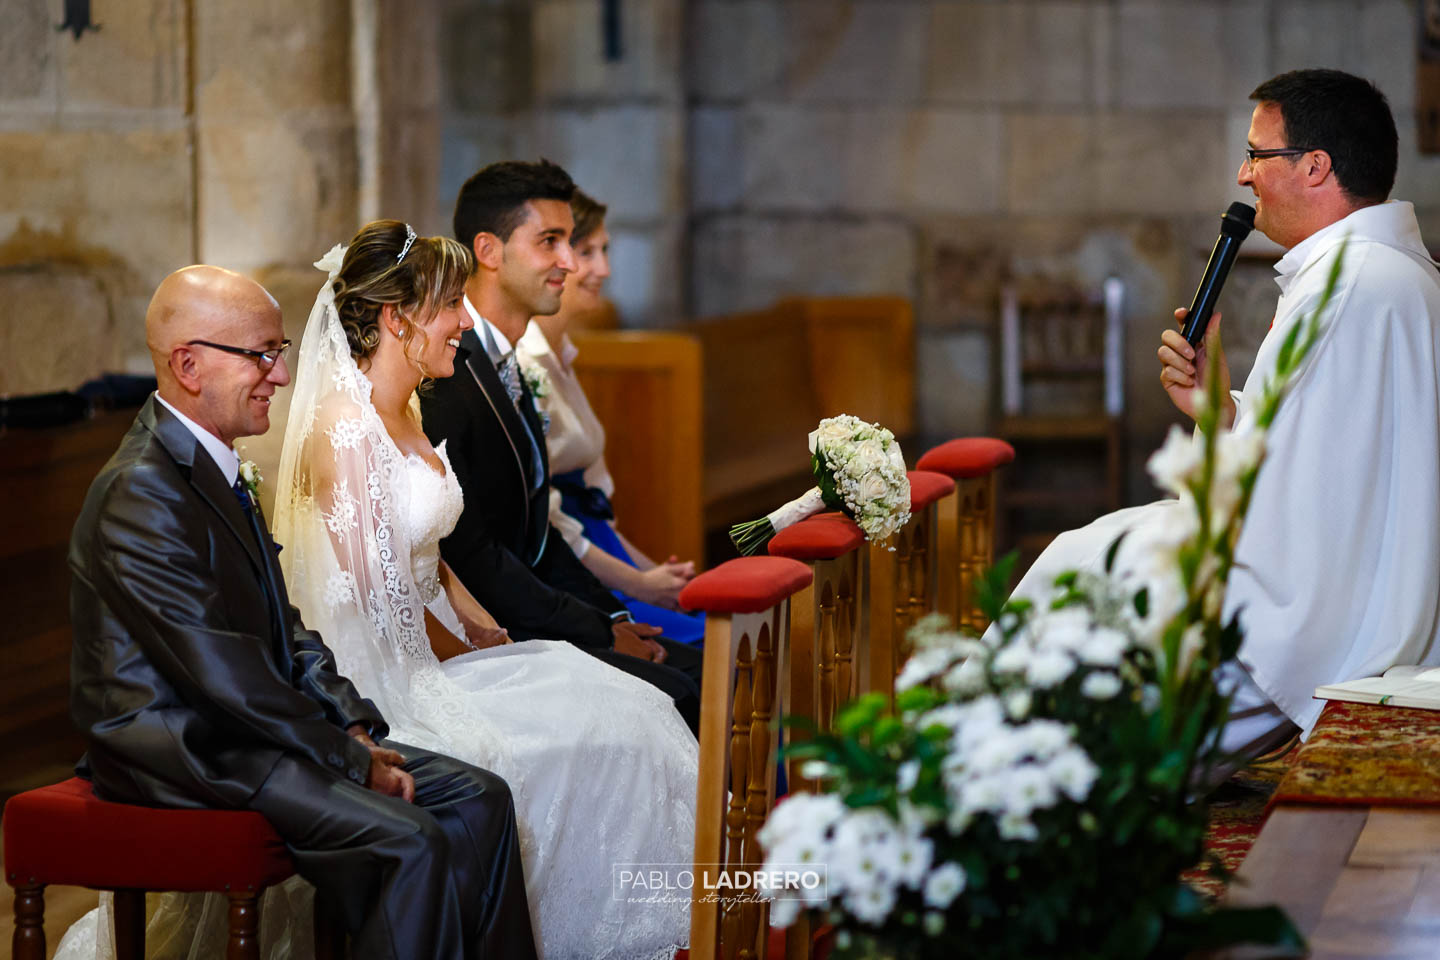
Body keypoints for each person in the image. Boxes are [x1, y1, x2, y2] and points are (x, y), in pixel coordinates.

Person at [56, 265, 536, 959]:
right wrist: (346, 756)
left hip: (242, 725)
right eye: (261, 355)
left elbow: (290, 632)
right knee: (409, 840)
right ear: (188, 364)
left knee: (480, 798)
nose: (280, 376)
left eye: (277, 352)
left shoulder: (214, 462)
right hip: (186, 744)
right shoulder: (141, 494)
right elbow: (220, 671)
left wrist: (354, 725)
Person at [272, 221, 696, 960]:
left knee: (633, 704)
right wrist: (463, 641)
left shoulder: (402, 410)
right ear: (395, 319)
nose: (464, 323)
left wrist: (476, 621)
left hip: (432, 649)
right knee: (597, 735)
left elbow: (427, 556)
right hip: (385, 682)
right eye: (448, 307)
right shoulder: (343, 432)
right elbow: (376, 606)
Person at [1008, 68, 1440, 766]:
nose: (1243, 175)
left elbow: (1297, 507)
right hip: (1344, 584)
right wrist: (1220, 408)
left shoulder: (1350, 286)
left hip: (1313, 615)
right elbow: (1324, 468)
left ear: (1315, 166)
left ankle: (998, 794)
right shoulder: (1387, 274)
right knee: (1089, 551)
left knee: (1079, 574)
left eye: (1256, 154)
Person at [420, 159, 704, 731]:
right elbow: (476, 554)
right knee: (680, 693)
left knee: (701, 670)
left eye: (570, 243)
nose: (569, 264)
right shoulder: (448, 370)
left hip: (540, 606)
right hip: (495, 632)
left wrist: (614, 614)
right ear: (489, 250)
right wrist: (599, 630)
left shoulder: (505, 358)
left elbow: (539, 531)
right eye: (550, 242)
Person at [517, 188, 705, 643]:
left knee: (706, 619)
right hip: (567, 568)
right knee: (696, 641)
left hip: (603, 551)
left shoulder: (562, 355)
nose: (604, 269)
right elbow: (551, 520)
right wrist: (641, 584)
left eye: (604, 251)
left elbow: (597, 505)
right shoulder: (524, 364)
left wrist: (657, 574)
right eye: (588, 252)